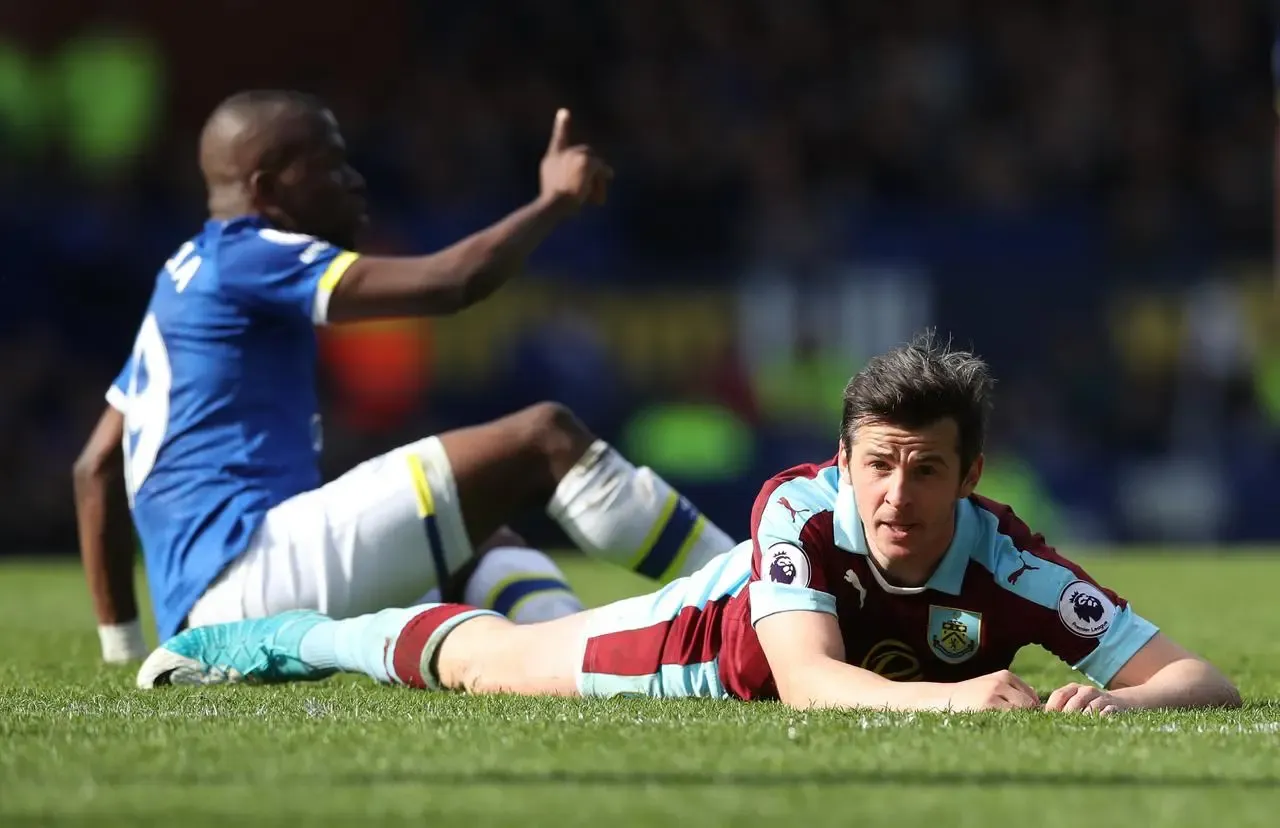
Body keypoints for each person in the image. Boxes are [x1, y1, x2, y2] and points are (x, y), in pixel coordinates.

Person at [137, 332, 1241, 713]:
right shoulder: (797, 511)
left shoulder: (1012, 561)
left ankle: (511, 569)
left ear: (970, 476)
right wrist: (962, 700)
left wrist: (1112, 693)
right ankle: (294, 638)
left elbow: (1204, 680)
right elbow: (806, 685)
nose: (894, 496)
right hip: (713, 652)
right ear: (845, 459)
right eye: (877, 466)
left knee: (534, 632)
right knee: (505, 672)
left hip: (792, 643)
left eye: (925, 471)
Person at [73, 90, 736, 664]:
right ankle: (756, 594)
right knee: (544, 437)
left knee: (481, 528)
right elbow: (451, 283)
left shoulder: (185, 278)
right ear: (267, 189)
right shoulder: (252, 254)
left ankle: (558, 655)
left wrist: (124, 645)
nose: (354, 179)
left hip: (216, 607)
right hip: (251, 574)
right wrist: (552, 203)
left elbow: (96, 467)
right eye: (328, 165)